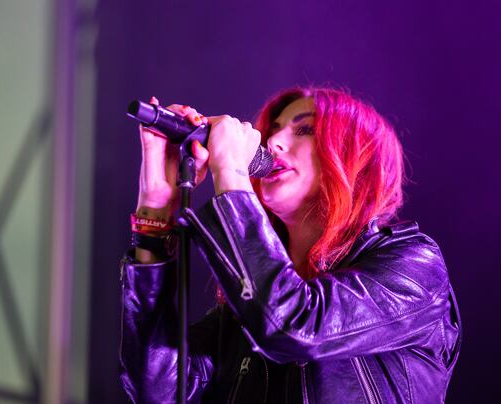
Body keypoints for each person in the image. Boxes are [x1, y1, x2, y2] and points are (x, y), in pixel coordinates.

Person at [120, 87, 462, 403]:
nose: (272, 142)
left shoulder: (414, 266)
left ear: (355, 160)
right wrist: (156, 208)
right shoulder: (247, 308)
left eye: (305, 130)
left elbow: (294, 324)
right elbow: (157, 388)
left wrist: (231, 172)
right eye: (274, 130)